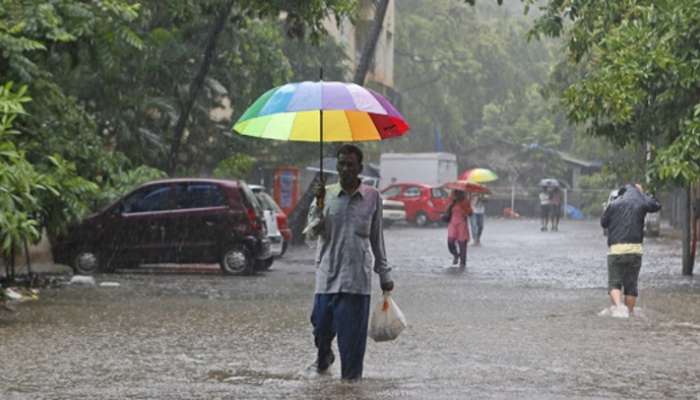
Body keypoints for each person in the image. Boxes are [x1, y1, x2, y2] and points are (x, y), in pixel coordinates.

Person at [305, 144, 394, 380]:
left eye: (350, 165)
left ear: (360, 168)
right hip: (327, 277)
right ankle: (324, 355)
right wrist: (318, 208)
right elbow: (311, 235)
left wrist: (384, 273)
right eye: (341, 164)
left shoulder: (372, 197)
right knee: (321, 329)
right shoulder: (325, 195)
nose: (345, 169)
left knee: (352, 351)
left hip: (357, 282)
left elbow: (377, 237)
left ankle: (350, 388)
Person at [600, 183, 661, 318]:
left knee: (614, 283)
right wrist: (644, 195)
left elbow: (603, 223)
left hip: (616, 250)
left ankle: (618, 306)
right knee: (631, 286)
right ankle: (630, 313)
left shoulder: (614, 203)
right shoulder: (641, 201)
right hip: (635, 250)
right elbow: (656, 205)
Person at [446, 189, 473, 269]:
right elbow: (446, 210)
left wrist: (465, 207)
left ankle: (462, 263)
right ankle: (456, 255)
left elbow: (470, 213)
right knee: (450, 241)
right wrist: (452, 203)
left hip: (462, 224)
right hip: (452, 223)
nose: (456, 195)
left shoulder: (465, 201)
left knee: (462, 244)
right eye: (455, 193)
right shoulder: (451, 200)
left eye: (458, 193)